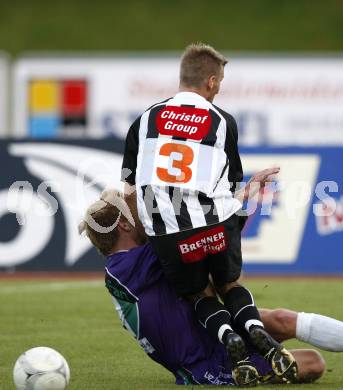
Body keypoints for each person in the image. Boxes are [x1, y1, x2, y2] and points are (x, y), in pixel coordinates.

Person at [121, 42, 293, 385]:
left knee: (198, 294)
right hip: (214, 222)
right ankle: (255, 330)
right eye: (222, 81)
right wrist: (250, 192)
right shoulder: (222, 121)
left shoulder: (144, 120)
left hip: (168, 231)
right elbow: (229, 188)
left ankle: (228, 338)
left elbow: (128, 190)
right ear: (212, 82)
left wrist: (146, 240)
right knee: (229, 284)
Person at [79, 190, 343, 386]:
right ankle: (245, 354)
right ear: (124, 225)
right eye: (131, 213)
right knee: (313, 362)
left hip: (205, 328)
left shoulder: (126, 266)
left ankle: (238, 334)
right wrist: (238, 199)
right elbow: (187, 228)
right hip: (204, 363)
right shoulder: (126, 267)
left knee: (281, 319)